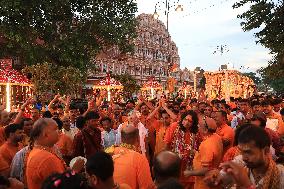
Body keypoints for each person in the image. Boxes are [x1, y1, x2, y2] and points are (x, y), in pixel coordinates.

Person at [204, 125, 284, 188]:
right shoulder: (240, 163)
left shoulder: (280, 174)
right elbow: (221, 177)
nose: (244, 157)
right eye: (241, 151)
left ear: (266, 151)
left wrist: (247, 185)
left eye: (249, 152)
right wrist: (215, 178)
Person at [26, 118, 84, 189]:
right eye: (56, 129)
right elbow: (62, 185)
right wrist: (75, 171)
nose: (59, 131)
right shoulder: (47, 158)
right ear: (46, 134)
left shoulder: (39, 151)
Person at [106, 124, 154, 189]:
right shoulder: (139, 159)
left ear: (121, 139)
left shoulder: (107, 152)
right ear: (137, 139)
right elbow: (147, 187)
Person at [164, 111, 202, 189]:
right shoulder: (174, 126)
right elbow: (167, 144)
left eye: (190, 121)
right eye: (185, 119)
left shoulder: (196, 131)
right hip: (176, 163)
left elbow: (200, 147)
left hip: (190, 165)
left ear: (193, 123)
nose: (187, 122)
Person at [184, 117, 223, 189]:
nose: (198, 127)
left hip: (204, 184)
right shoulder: (216, 137)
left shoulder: (207, 144)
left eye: (199, 126)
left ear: (205, 130)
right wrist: (196, 153)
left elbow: (206, 169)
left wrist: (189, 173)